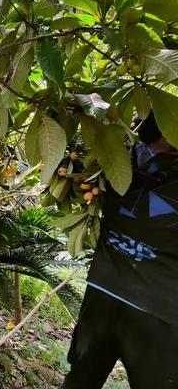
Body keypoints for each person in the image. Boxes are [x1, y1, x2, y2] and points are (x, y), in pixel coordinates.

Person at [63, 111, 178, 389]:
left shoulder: (111, 159)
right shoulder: (112, 160)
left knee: (81, 381)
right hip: (155, 309)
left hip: (106, 295)